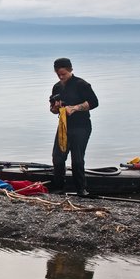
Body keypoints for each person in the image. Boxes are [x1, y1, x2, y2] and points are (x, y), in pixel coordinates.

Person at [49, 58, 99, 196]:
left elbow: (94, 103)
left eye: (63, 74)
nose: (61, 77)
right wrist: (56, 107)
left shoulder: (81, 84)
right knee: (58, 158)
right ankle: (59, 188)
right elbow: (52, 110)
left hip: (81, 126)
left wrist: (75, 108)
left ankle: (81, 189)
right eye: (58, 74)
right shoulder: (57, 87)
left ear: (70, 70)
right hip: (64, 126)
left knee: (77, 159)